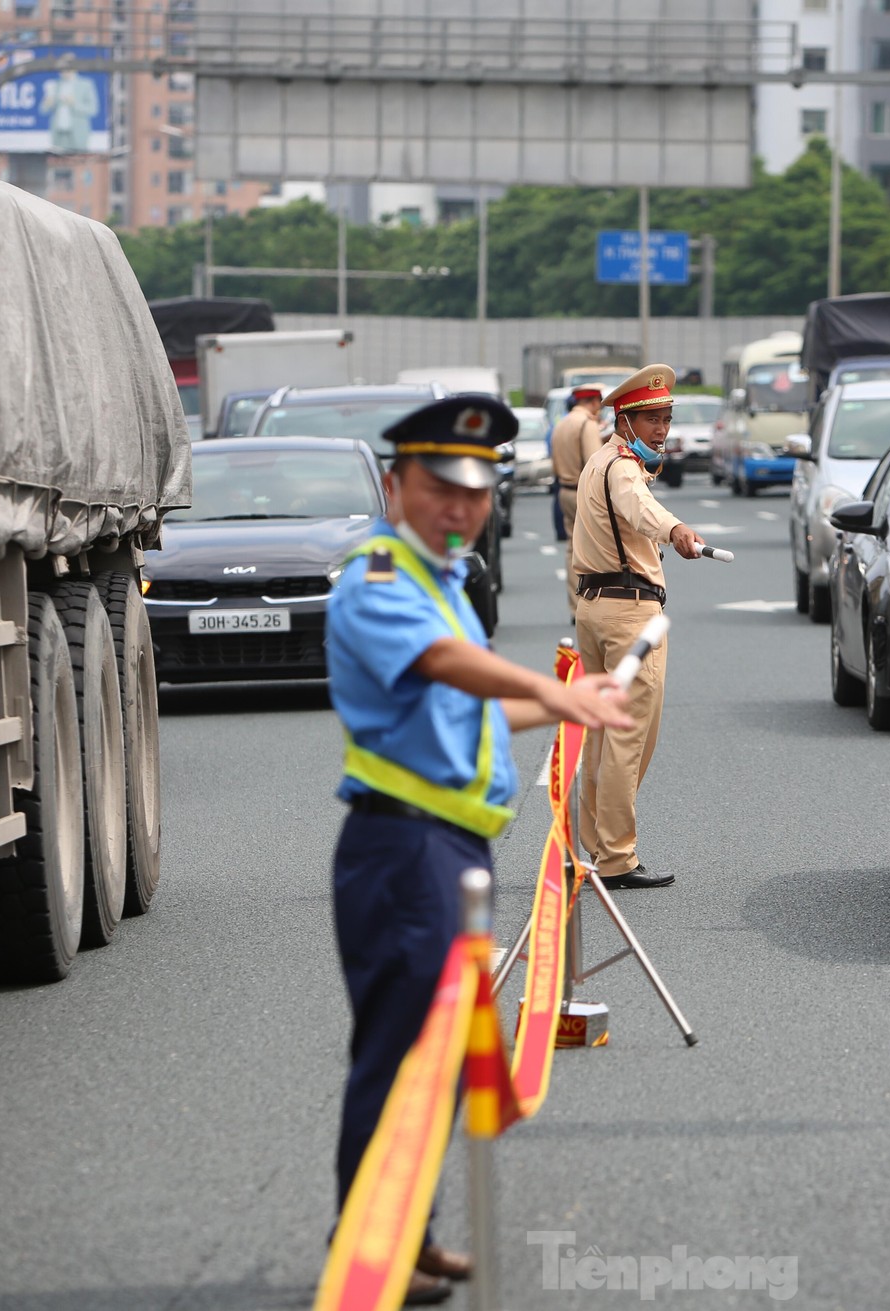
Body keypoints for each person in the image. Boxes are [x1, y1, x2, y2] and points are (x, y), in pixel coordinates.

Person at [323, 395, 632, 1305]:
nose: (459, 505)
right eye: (438, 486)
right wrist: (557, 688)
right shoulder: (380, 576)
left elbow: (487, 707)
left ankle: (404, 1235)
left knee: (442, 1053)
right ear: (395, 485)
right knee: (398, 1051)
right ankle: (368, 1244)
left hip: (451, 849)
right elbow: (443, 669)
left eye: (475, 489)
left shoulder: (444, 581)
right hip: (400, 847)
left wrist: (582, 700)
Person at [569, 365, 705, 891]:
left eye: (667, 418)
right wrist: (675, 530)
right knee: (628, 738)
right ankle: (618, 859)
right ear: (624, 420)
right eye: (651, 418)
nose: (662, 429)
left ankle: (597, 847)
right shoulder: (623, 469)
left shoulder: (599, 461)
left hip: (594, 608)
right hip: (630, 614)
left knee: (601, 737)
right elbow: (641, 507)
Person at [548, 386, 608, 615]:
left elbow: (554, 463)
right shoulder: (587, 424)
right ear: (593, 402)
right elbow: (596, 466)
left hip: (563, 489)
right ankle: (592, 605)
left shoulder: (561, 424)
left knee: (572, 549)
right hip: (583, 492)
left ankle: (576, 607)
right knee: (595, 549)